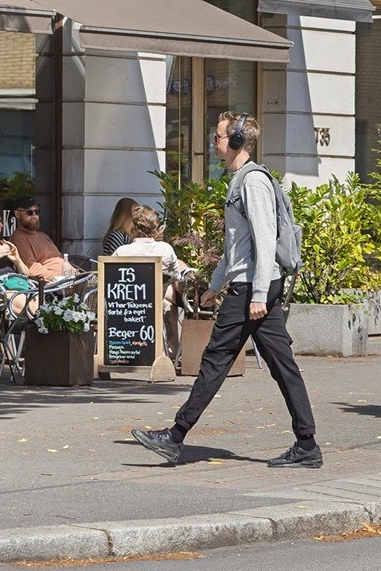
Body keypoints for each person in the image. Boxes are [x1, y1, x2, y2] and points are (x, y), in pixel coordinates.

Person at [130, 112, 321, 469]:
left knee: (216, 360)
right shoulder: (240, 180)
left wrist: (259, 295)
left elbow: (265, 241)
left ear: (235, 141)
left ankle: (175, 437)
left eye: (217, 136)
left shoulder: (253, 182)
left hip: (252, 288)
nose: (213, 142)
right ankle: (307, 445)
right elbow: (237, 247)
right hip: (251, 284)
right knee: (283, 365)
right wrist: (216, 285)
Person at [113, 205, 183, 359]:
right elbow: (177, 277)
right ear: (156, 228)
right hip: (155, 302)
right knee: (169, 301)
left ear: (133, 227)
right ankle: (170, 349)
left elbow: (109, 279)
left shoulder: (122, 252)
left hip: (126, 307)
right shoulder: (165, 249)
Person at [6, 195, 74, 282]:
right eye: (29, 212)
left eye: (37, 211)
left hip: (71, 278)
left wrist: (76, 273)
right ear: (17, 214)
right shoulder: (19, 238)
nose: (35, 216)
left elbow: (60, 260)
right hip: (55, 284)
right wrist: (55, 279)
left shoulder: (43, 235)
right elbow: (31, 267)